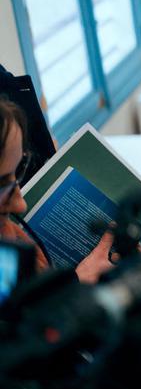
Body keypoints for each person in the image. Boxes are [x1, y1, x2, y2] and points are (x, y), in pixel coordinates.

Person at [0, 98, 118, 284]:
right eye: (2, 184)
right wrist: (78, 283)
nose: (20, 204)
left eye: (19, 169)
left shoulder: (13, 237)